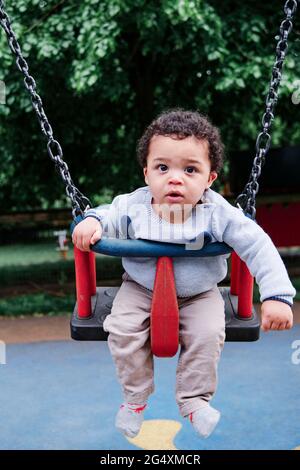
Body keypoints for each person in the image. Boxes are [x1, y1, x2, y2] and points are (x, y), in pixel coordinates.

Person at [72, 109, 295, 439]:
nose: (175, 178)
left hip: (200, 293)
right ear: (146, 173)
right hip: (140, 287)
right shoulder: (134, 205)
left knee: (208, 334)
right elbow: (105, 215)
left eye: (190, 169)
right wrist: (92, 221)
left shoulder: (217, 212)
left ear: (209, 179)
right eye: (163, 167)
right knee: (121, 330)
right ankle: (134, 400)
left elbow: (256, 244)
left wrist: (277, 296)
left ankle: (194, 400)